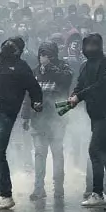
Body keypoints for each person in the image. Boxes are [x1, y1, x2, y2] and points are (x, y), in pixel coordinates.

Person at [0, 37, 44, 211]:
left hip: (5, 115)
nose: (6, 48)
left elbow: (34, 87)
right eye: (6, 44)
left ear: (18, 50)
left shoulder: (21, 67)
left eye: (11, 46)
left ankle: (7, 194)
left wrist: (37, 102)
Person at [68, 33, 106, 207]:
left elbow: (102, 85)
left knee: (95, 150)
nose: (90, 49)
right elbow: (81, 84)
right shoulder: (85, 66)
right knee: (105, 153)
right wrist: (74, 96)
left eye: (94, 45)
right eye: (88, 46)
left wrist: (80, 96)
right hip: (95, 114)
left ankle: (98, 193)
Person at [23, 41, 73, 201]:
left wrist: (51, 68)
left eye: (47, 55)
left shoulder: (63, 67)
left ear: (53, 56)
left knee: (57, 153)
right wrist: (25, 116)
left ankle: (59, 189)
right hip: (38, 119)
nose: (43, 58)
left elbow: (67, 81)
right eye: (41, 55)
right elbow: (28, 95)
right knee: (39, 153)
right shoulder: (35, 72)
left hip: (57, 119)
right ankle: (39, 189)